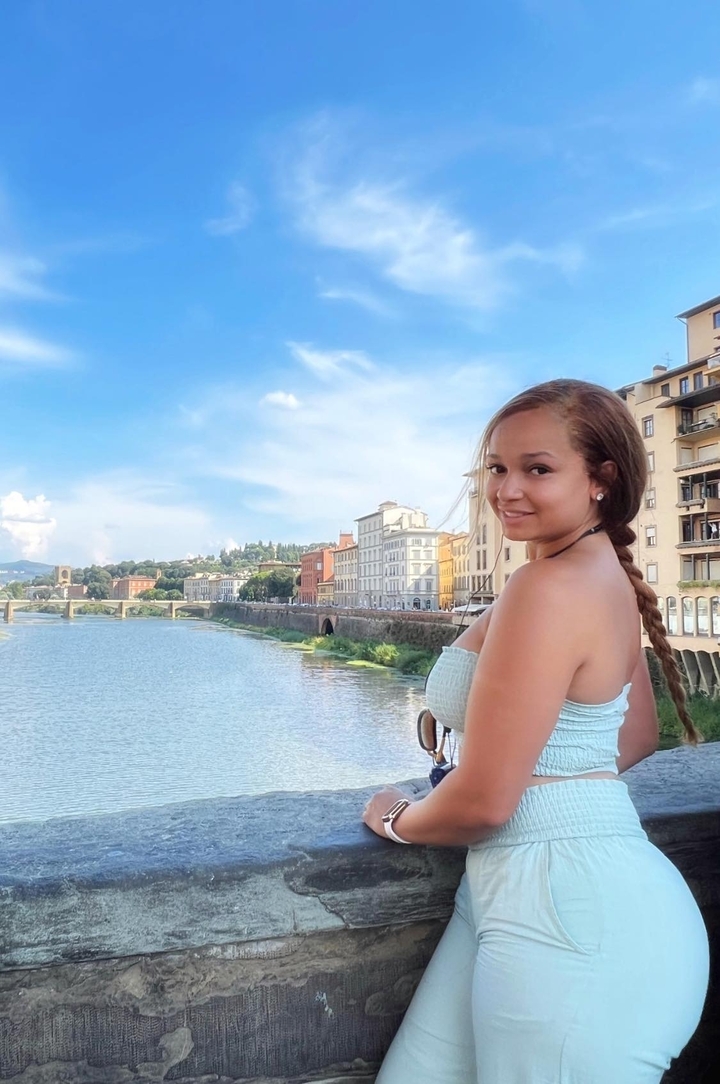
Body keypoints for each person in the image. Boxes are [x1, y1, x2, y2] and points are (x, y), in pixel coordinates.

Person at [362, 379, 709, 1084]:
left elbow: (489, 803)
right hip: (541, 891)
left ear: (601, 479)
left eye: (537, 468)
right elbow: (635, 734)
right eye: (496, 467)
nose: (506, 488)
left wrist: (399, 818)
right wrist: (539, 769)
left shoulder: (548, 587)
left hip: (569, 911)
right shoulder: (591, 574)